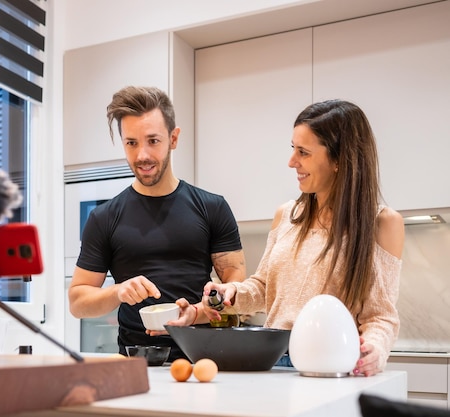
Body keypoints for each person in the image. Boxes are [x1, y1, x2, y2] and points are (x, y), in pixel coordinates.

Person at [171, 99, 405, 376]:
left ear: (340, 160)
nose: (292, 161)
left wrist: (374, 349)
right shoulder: (287, 215)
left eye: (303, 152)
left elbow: (381, 316)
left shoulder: (381, 223)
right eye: (293, 149)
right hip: (272, 361)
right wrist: (230, 294)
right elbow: (263, 289)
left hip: (331, 365)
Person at [68, 86, 246, 361]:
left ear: (173, 139)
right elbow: (78, 303)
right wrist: (118, 291)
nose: (142, 155)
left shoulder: (212, 207)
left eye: (153, 141)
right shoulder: (104, 218)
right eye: (132, 143)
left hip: (205, 360)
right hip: (134, 364)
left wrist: (200, 310)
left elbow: (237, 286)